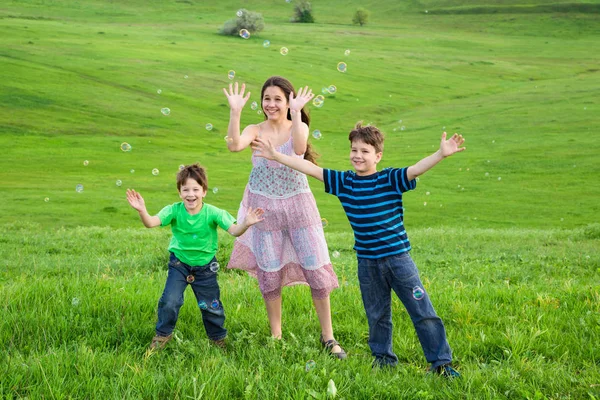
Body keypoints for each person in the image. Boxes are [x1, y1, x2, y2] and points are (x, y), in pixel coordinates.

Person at [252, 119, 465, 378]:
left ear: (378, 155)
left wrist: (440, 154)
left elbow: (415, 170)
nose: (358, 155)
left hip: (398, 259)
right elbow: (308, 168)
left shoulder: (390, 179)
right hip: (367, 262)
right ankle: (383, 360)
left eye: (365, 151)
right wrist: (276, 155)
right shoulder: (345, 182)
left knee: (422, 312)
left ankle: (441, 362)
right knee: (376, 315)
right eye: (354, 150)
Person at [222, 77, 346, 358]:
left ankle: (328, 337)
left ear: (288, 101)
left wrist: (297, 112)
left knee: (315, 269)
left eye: (278, 98)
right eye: (267, 98)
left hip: (299, 209)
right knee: (270, 273)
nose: (271, 104)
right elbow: (233, 145)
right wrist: (235, 111)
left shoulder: (296, 125)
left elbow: (300, 149)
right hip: (264, 210)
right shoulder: (255, 129)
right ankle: (276, 335)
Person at [126, 164, 264, 350]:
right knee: (170, 300)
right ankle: (162, 335)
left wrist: (246, 223)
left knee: (211, 306)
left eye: (195, 189)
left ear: (204, 191)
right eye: (186, 190)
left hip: (206, 267)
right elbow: (151, 223)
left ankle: (217, 339)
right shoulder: (173, 210)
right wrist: (142, 210)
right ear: (179, 192)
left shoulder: (214, 213)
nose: (191, 194)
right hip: (179, 264)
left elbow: (234, 231)